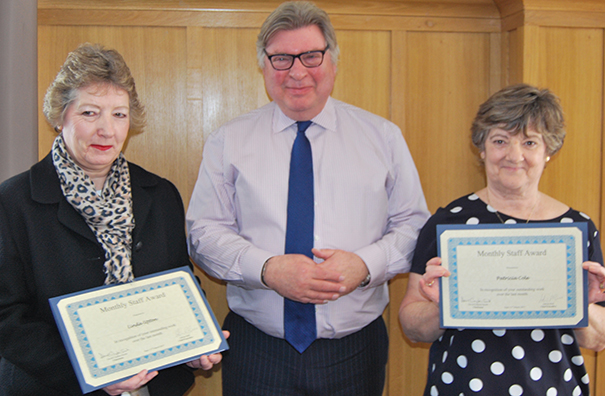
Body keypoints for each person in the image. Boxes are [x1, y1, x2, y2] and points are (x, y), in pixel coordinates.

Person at [186, 1, 429, 395]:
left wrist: (364, 266)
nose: (297, 72)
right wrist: (268, 269)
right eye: (281, 58)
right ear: (263, 66)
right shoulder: (228, 140)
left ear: (333, 62)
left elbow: (414, 225)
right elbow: (203, 232)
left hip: (355, 348)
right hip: (257, 349)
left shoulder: (382, 138)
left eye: (311, 56)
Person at [0, 43, 225, 396]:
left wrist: (195, 344)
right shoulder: (13, 202)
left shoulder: (159, 193)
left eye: (119, 114)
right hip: (55, 386)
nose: (107, 129)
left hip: (152, 385)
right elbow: (6, 318)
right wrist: (92, 372)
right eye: (90, 113)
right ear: (60, 117)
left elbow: (178, 283)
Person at [399, 83, 605, 395]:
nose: (514, 155)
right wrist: (444, 307)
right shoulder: (448, 222)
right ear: (481, 148)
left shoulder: (576, 229)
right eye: (500, 140)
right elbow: (412, 327)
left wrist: (581, 304)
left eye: (530, 142)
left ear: (548, 151)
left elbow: (596, 339)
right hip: (464, 387)